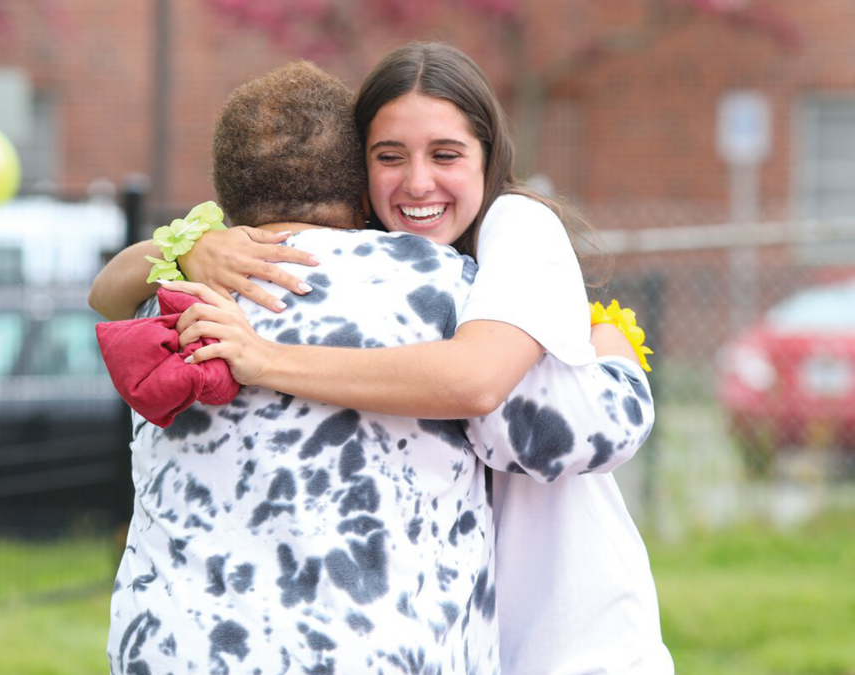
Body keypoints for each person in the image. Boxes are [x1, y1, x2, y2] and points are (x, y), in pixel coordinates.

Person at [98, 48, 670, 675]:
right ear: (356, 171)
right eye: (390, 156)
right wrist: (610, 346)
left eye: (445, 154)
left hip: (173, 647)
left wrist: (185, 253)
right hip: (386, 646)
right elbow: (545, 426)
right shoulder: (449, 289)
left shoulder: (178, 293)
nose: (418, 181)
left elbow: (104, 292)